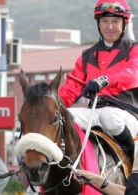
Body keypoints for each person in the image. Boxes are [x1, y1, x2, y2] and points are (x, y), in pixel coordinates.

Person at [59, 0, 138, 164]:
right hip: (94, 113)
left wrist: (105, 80)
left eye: (115, 21)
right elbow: (70, 88)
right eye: (105, 21)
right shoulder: (87, 55)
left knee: (109, 116)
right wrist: (48, 104)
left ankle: (131, 160)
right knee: (62, 117)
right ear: (98, 23)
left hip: (126, 115)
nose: (110, 27)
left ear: (124, 23)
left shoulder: (133, 49)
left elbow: (133, 74)